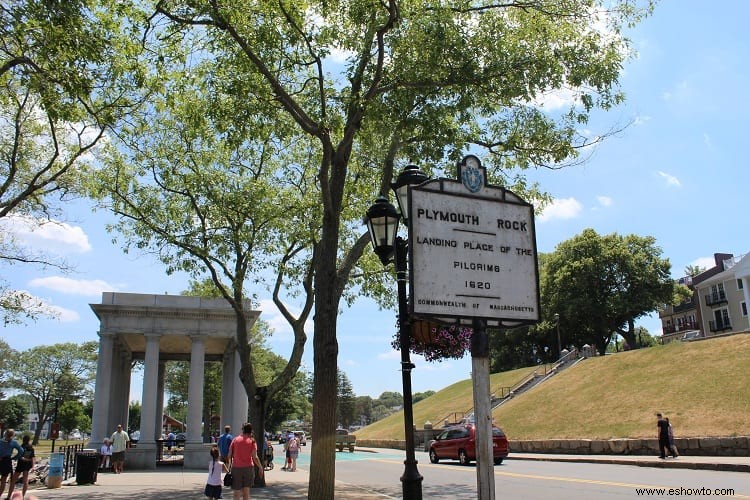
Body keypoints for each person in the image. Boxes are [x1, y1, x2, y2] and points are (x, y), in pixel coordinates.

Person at [227, 422, 263, 500]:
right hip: (248, 468)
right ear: (251, 430)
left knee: (236, 494)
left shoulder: (235, 440)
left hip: (236, 468)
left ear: (242, 429)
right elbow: (255, 457)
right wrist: (260, 467)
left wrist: (229, 466)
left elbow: (229, 455)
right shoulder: (252, 441)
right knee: (246, 493)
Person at [7, 434, 34, 499]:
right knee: (25, 481)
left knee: (13, 480)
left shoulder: (22, 446)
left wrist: (13, 458)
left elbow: (20, 456)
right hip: (27, 465)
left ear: (23, 440)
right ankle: (22, 496)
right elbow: (32, 457)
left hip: (21, 464)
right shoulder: (31, 448)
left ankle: (9, 496)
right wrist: (32, 465)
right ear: (29, 440)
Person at [0, 429, 23, 499]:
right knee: (3, 480)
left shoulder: (0, 441)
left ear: (5, 434)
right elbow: (21, 451)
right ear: (13, 435)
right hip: (7, 461)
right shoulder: (13, 442)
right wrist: (15, 457)